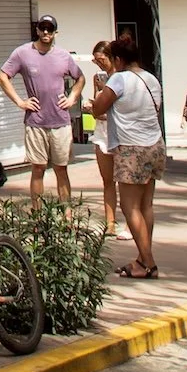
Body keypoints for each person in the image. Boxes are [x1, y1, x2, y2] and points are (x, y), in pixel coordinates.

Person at [92, 35, 166, 280]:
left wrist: (97, 101)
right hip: (154, 145)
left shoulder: (119, 79)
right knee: (146, 204)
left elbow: (98, 108)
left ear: (118, 59)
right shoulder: (151, 79)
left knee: (129, 206)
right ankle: (143, 257)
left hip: (130, 148)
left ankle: (149, 263)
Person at [0, 15, 86, 202]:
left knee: (61, 168)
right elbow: (3, 77)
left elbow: (80, 78)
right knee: (38, 168)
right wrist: (20, 102)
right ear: (37, 30)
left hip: (60, 122)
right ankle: (37, 216)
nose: (46, 32)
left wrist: (72, 98)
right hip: (36, 122)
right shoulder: (22, 53)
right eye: (42, 28)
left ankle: (67, 212)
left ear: (56, 32)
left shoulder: (63, 56)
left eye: (50, 29)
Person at [87, 41, 122, 238]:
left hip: (119, 133)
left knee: (125, 182)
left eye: (101, 60)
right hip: (102, 133)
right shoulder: (102, 79)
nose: (99, 64)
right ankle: (110, 222)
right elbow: (98, 109)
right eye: (96, 61)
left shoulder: (120, 78)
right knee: (107, 181)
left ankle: (129, 221)